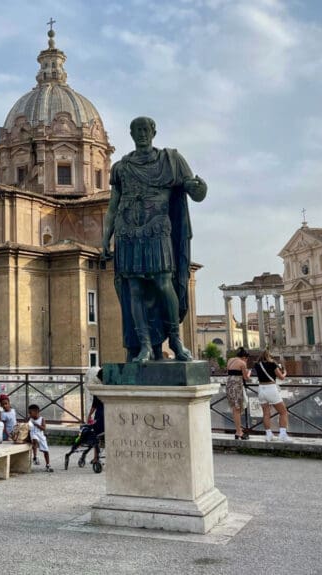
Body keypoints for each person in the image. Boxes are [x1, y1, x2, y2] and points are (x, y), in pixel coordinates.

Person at [102, 116, 207, 363]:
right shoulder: (121, 167)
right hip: (127, 232)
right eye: (136, 130)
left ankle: (176, 340)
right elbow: (112, 205)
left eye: (145, 129)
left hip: (157, 230)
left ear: (153, 131)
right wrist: (105, 237)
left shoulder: (172, 161)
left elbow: (196, 193)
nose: (141, 134)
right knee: (134, 289)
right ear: (130, 134)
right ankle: (145, 346)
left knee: (163, 283)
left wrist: (200, 187)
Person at [254, 350, 292, 442]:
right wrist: (285, 372)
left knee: (266, 413)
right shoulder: (272, 364)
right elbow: (281, 377)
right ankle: (282, 434)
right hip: (271, 389)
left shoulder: (257, 365)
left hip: (261, 389)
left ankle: (268, 435)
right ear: (269, 356)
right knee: (283, 412)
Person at [226, 347, 251, 440]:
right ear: (244, 357)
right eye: (247, 358)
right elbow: (246, 378)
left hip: (229, 386)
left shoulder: (230, 360)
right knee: (237, 410)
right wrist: (249, 373)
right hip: (237, 387)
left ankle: (238, 431)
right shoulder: (242, 363)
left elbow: (229, 371)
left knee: (234, 409)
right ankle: (239, 432)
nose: (247, 360)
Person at [27, 404, 53, 472]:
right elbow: (28, 428)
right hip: (33, 434)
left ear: (36, 412)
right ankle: (35, 457)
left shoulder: (42, 419)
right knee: (34, 441)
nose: (29, 414)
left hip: (40, 435)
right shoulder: (30, 420)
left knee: (46, 451)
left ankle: (48, 464)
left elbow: (43, 428)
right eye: (29, 413)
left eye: (30, 413)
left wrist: (37, 424)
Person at [86, 394, 104, 464]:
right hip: (109, 414)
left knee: (96, 437)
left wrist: (89, 415)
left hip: (100, 417)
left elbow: (94, 406)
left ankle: (96, 458)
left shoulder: (97, 393)